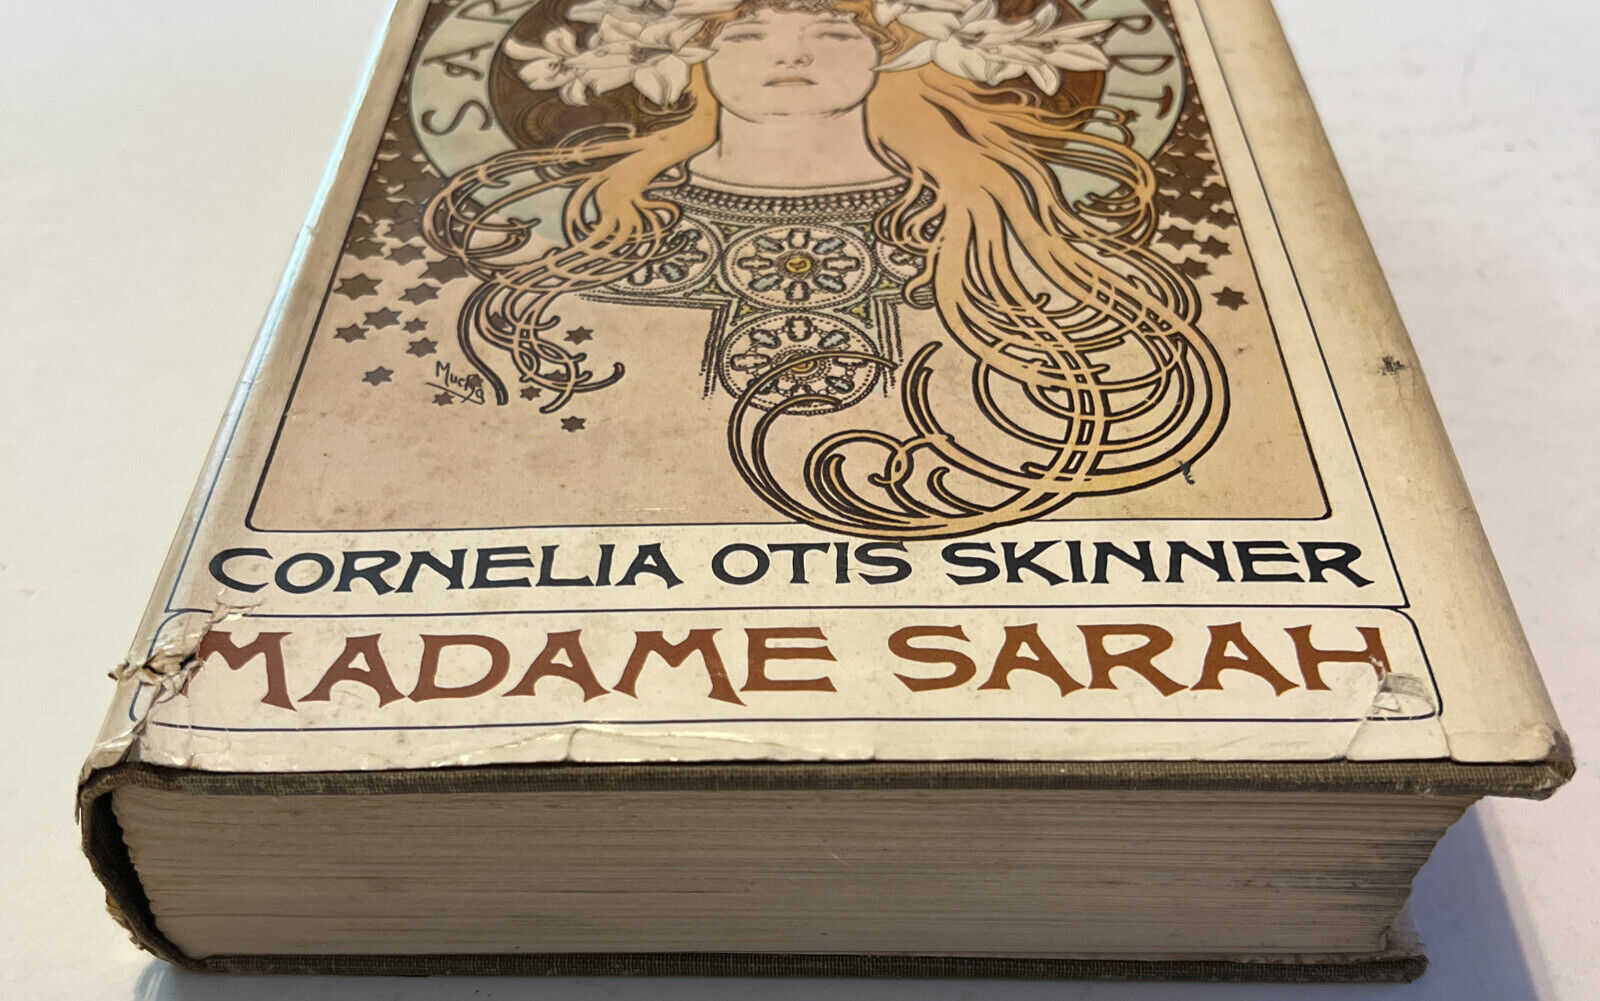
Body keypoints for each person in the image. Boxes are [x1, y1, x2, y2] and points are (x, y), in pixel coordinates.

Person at [423, 0, 1225, 539]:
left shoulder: (987, 233)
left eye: (837, 33)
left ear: (897, 58)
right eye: (746, 36)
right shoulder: (603, 251)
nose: (793, 51)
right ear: (688, 59)